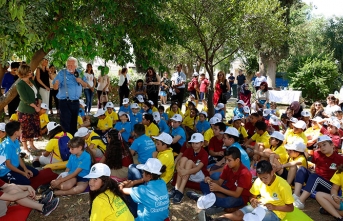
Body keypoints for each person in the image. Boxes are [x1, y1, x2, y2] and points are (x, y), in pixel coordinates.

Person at [218, 160, 294, 221]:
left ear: (272, 172)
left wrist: (274, 207)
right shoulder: (259, 181)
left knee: (250, 218)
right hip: (260, 206)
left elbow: (290, 208)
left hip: (275, 212)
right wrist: (253, 200)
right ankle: (215, 219)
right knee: (238, 214)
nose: (263, 180)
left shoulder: (283, 185)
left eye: (265, 177)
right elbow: (251, 196)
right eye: (261, 178)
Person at [189, 147, 252, 215]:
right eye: (226, 159)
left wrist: (219, 189)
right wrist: (211, 181)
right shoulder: (227, 167)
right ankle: (216, 204)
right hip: (227, 188)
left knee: (228, 202)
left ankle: (202, 198)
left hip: (240, 197)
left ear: (237, 160)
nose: (227, 162)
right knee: (203, 184)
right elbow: (219, 182)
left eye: (229, 160)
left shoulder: (244, 173)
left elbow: (237, 194)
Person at [292, 135, 343, 210]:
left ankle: (301, 201)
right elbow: (315, 165)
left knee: (314, 176)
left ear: (332, 145)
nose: (322, 147)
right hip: (316, 181)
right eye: (319, 146)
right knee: (302, 169)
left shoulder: (340, 159)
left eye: (324, 144)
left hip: (331, 186)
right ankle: (296, 195)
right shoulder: (317, 154)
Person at [53, 57, 89, 135]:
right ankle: (65, 140)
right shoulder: (62, 73)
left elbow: (86, 85)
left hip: (76, 102)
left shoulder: (80, 73)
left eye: (72, 65)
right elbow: (55, 87)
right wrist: (56, 84)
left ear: (76, 66)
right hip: (65, 102)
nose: (70, 67)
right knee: (65, 123)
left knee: (73, 123)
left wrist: (81, 81)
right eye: (68, 65)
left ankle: (73, 140)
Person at [169, 133, 209, 204]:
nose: (194, 145)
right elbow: (180, 161)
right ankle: (176, 187)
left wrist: (185, 172)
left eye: (196, 143)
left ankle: (180, 191)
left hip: (198, 175)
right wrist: (178, 168)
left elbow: (197, 169)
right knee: (184, 159)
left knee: (190, 162)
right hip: (188, 173)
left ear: (202, 143)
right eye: (193, 143)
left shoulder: (204, 153)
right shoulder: (189, 150)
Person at [17, 64, 42, 152]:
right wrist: (35, 106)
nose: (31, 72)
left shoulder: (33, 82)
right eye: (29, 71)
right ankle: (25, 147)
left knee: (32, 128)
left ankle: (31, 145)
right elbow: (25, 99)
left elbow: (38, 94)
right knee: (25, 129)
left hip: (35, 108)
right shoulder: (20, 84)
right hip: (25, 110)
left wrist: (39, 104)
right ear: (24, 72)